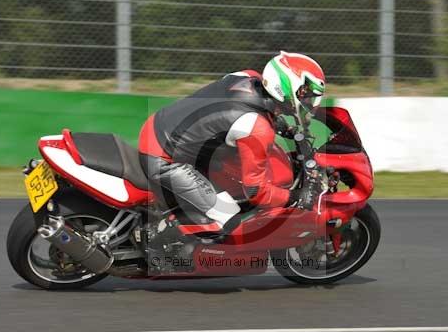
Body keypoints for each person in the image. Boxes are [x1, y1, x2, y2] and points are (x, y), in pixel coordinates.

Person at [138, 51, 326, 253]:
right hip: (164, 158)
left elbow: (227, 107)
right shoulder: (257, 127)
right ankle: (161, 245)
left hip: (158, 126)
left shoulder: (246, 77)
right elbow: (255, 192)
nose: (308, 101)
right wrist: (294, 197)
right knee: (229, 219)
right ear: (286, 87)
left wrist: (280, 125)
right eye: (304, 93)